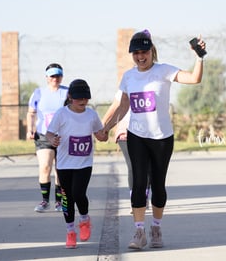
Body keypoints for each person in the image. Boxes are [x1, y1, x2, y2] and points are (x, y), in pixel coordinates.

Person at [101, 29, 206, 249]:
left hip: (162, 138)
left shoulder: (164, 71)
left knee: (158, 186)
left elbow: (195, 79)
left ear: (152, 51)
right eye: (135, 53)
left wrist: (199, 57)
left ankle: (156, 227)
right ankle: (139, 232)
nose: (140, 56)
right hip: (136, 135)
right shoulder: (129, 76)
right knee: (139, 182)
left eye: (144, 52)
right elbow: (122, 105)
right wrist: (106, 127)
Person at [46, 79, 108, 249]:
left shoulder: (91, 114)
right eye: (79, 98)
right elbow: (49, 133)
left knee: (79, 194)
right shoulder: (62, 114)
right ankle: (70, 231)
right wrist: (53, 140)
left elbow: (100, 134)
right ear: (70, 97)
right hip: (65, 164)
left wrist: (104, 136)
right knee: (67, 197)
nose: (82, 101)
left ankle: (84, 220)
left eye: (86, 98)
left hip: (84, 163)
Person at [27, 63, 68, 212]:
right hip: (43, 136)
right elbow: (31, 112)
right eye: (52, 76)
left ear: (62, 77)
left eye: (58, 76)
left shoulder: (67, 93)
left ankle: (59, 202)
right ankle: (45, 201)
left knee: (60, 170)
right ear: (47, 78)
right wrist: (30, 129)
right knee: (45, 166)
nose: (55, 79)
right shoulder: (38, 93)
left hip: (63, 136)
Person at [102, 90, 151, 212]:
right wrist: (102, 127)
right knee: (133, 166)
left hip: (147, 131)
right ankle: (135, 201)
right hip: (126, 131)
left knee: (147, 166)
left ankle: (143, 198)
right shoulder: (127, 83)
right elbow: (114, 108)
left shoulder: (152, 85)